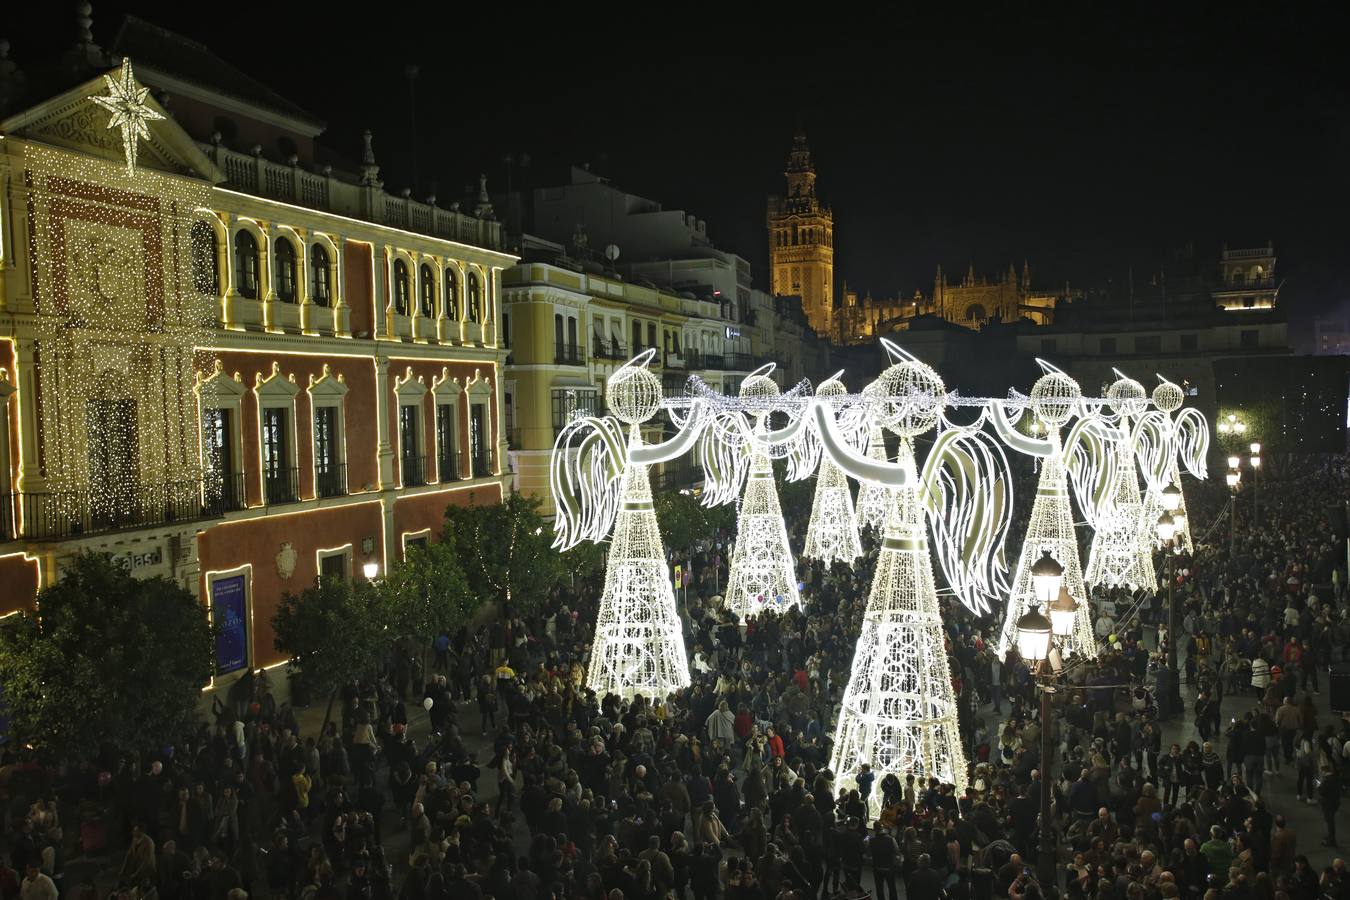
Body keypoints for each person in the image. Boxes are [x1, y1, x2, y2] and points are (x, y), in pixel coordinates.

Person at [1318, 764, 1341, 847]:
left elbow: (1322, 791)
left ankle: (1331, 840)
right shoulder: (1336, 778)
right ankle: (1330, 836)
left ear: (1324, 771)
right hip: (1335, 803)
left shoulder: (1326, 780)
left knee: (1330, 822)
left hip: (1328, 804)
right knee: (1330, 821)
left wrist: (1319, 785)